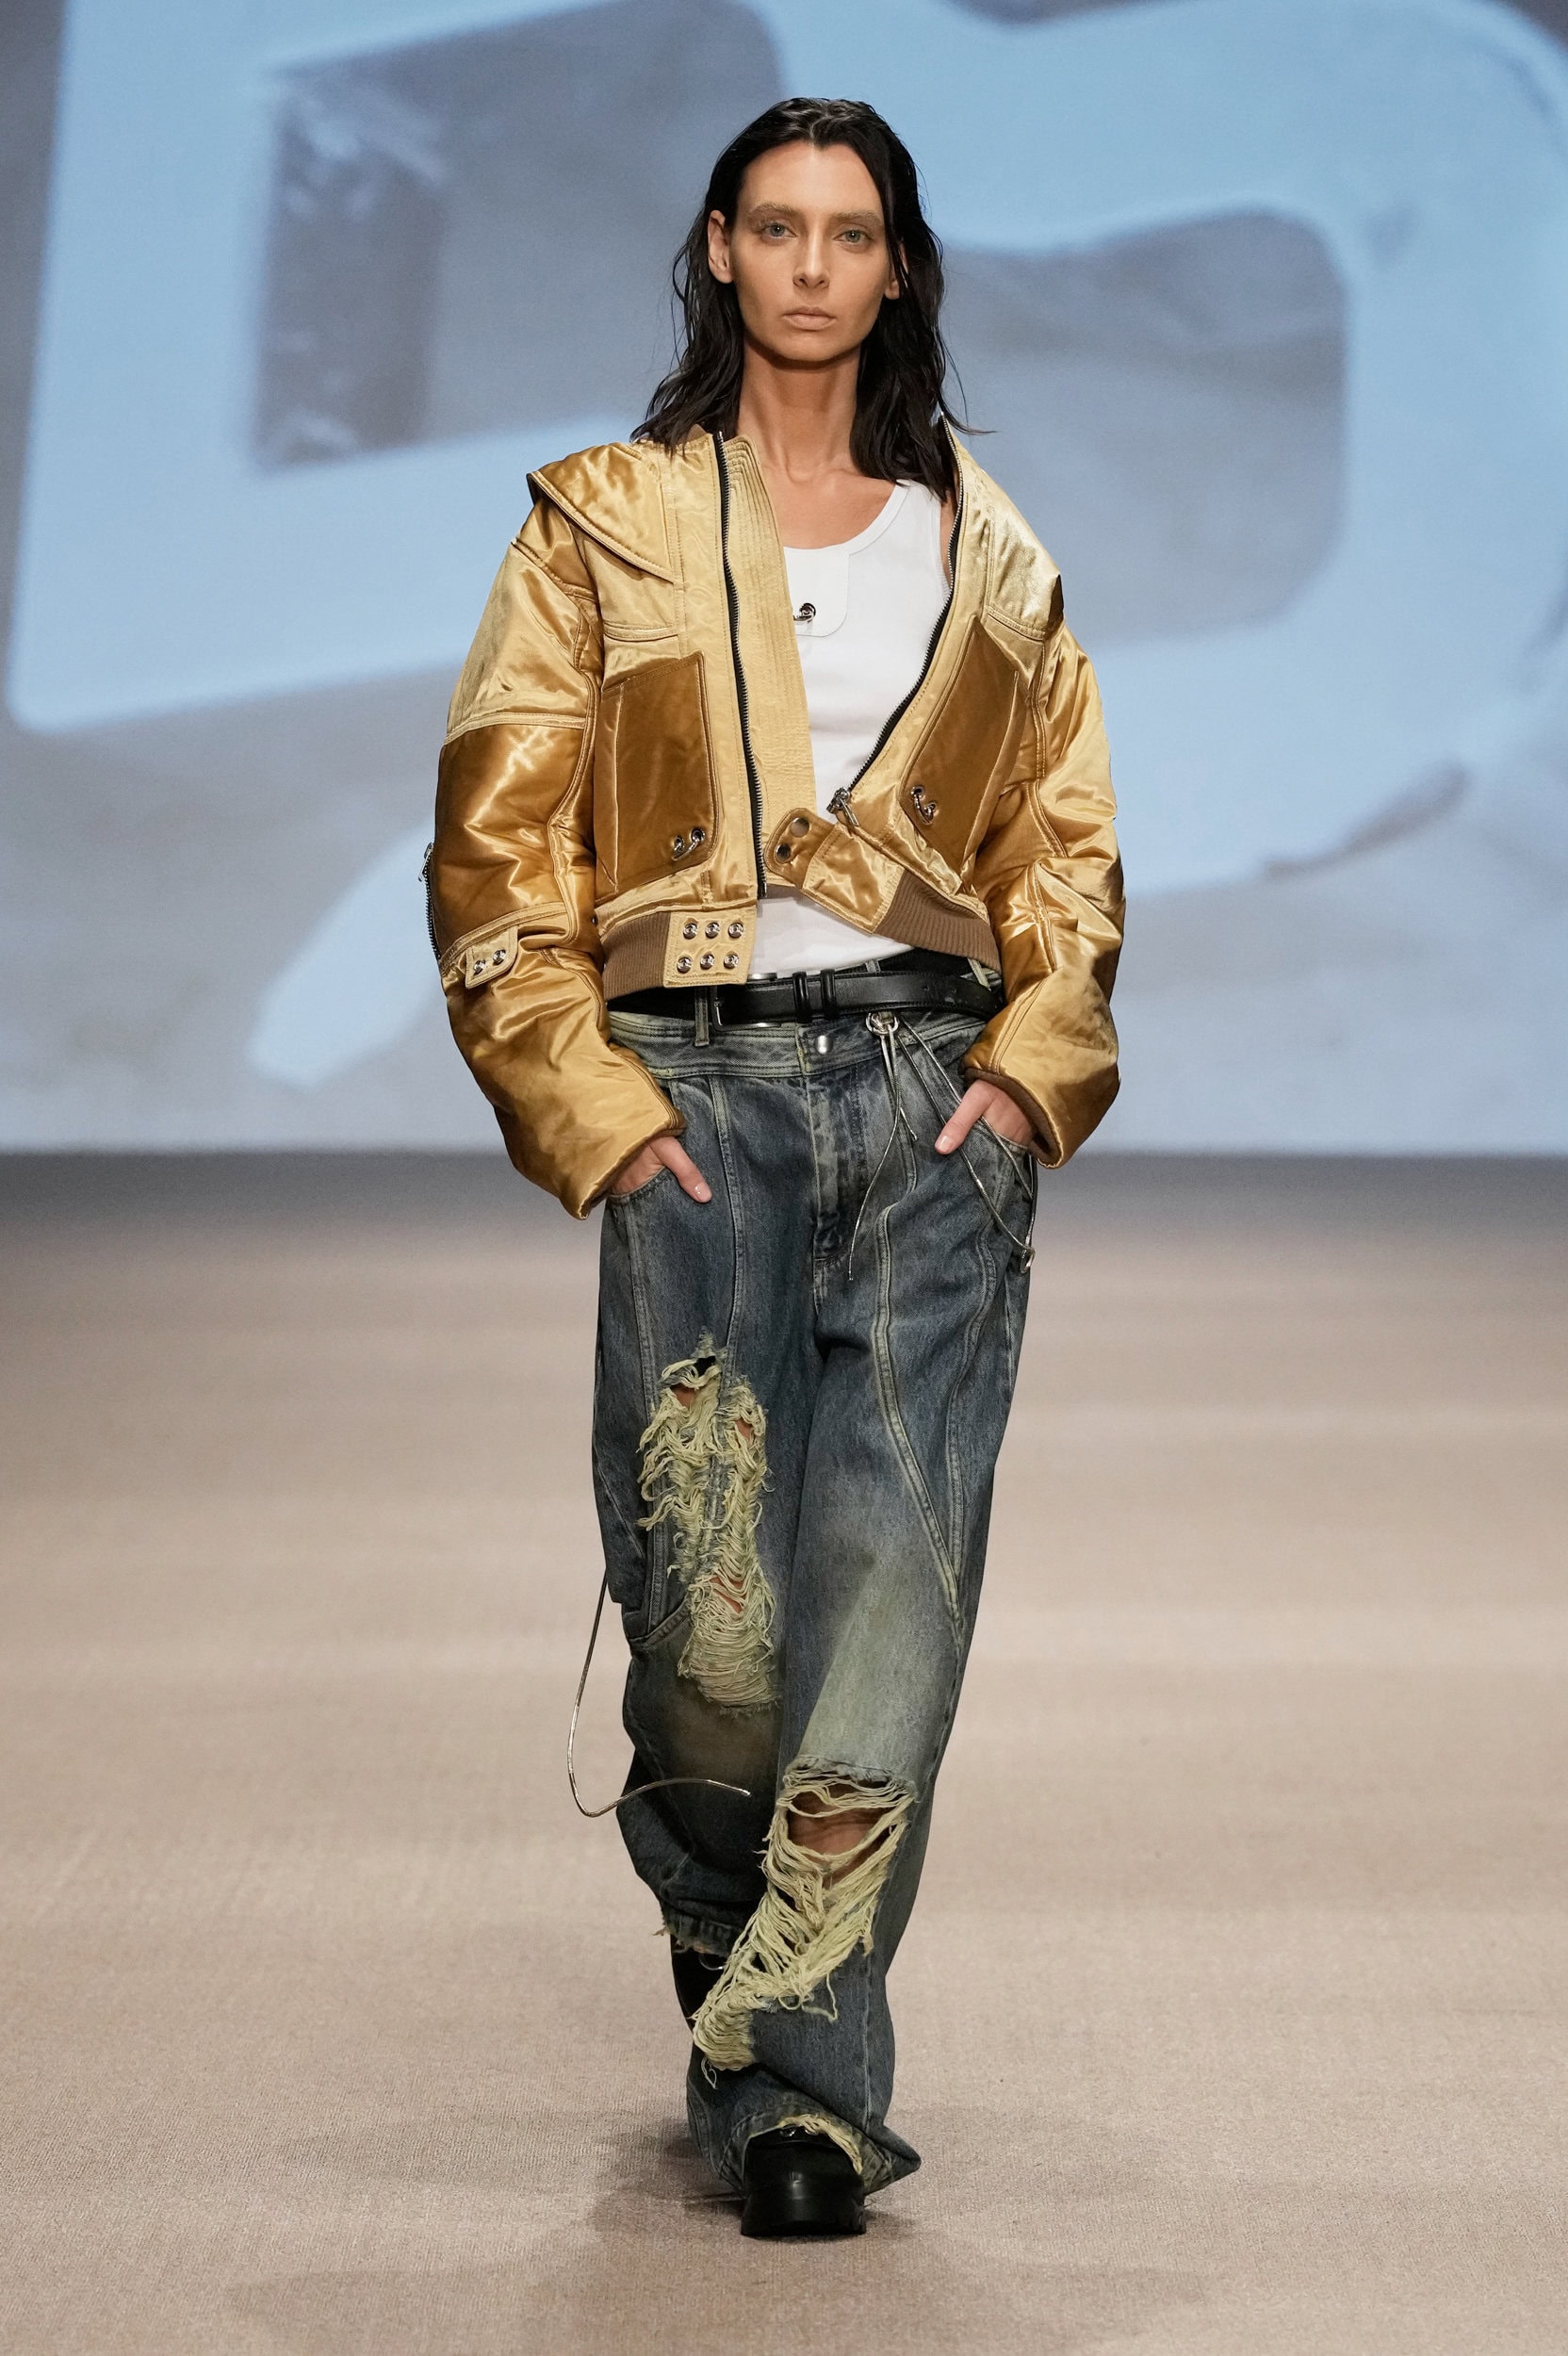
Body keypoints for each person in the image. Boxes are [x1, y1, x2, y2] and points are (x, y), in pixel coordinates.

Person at [427, 95, 1122, 2238]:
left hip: (928, 1101)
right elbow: (494, 840)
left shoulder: (985, 553)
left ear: (897, 267)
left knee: (892, 1601)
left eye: (852, 232)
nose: (815, 265)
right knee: (709, 1645)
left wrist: (1029, 1075)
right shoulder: (602, 524)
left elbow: (1067, 846)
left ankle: (806, 2080)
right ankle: (736, 1962)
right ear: (718, 250)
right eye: (778, 226)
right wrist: (597, 1110)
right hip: (694, 1113)